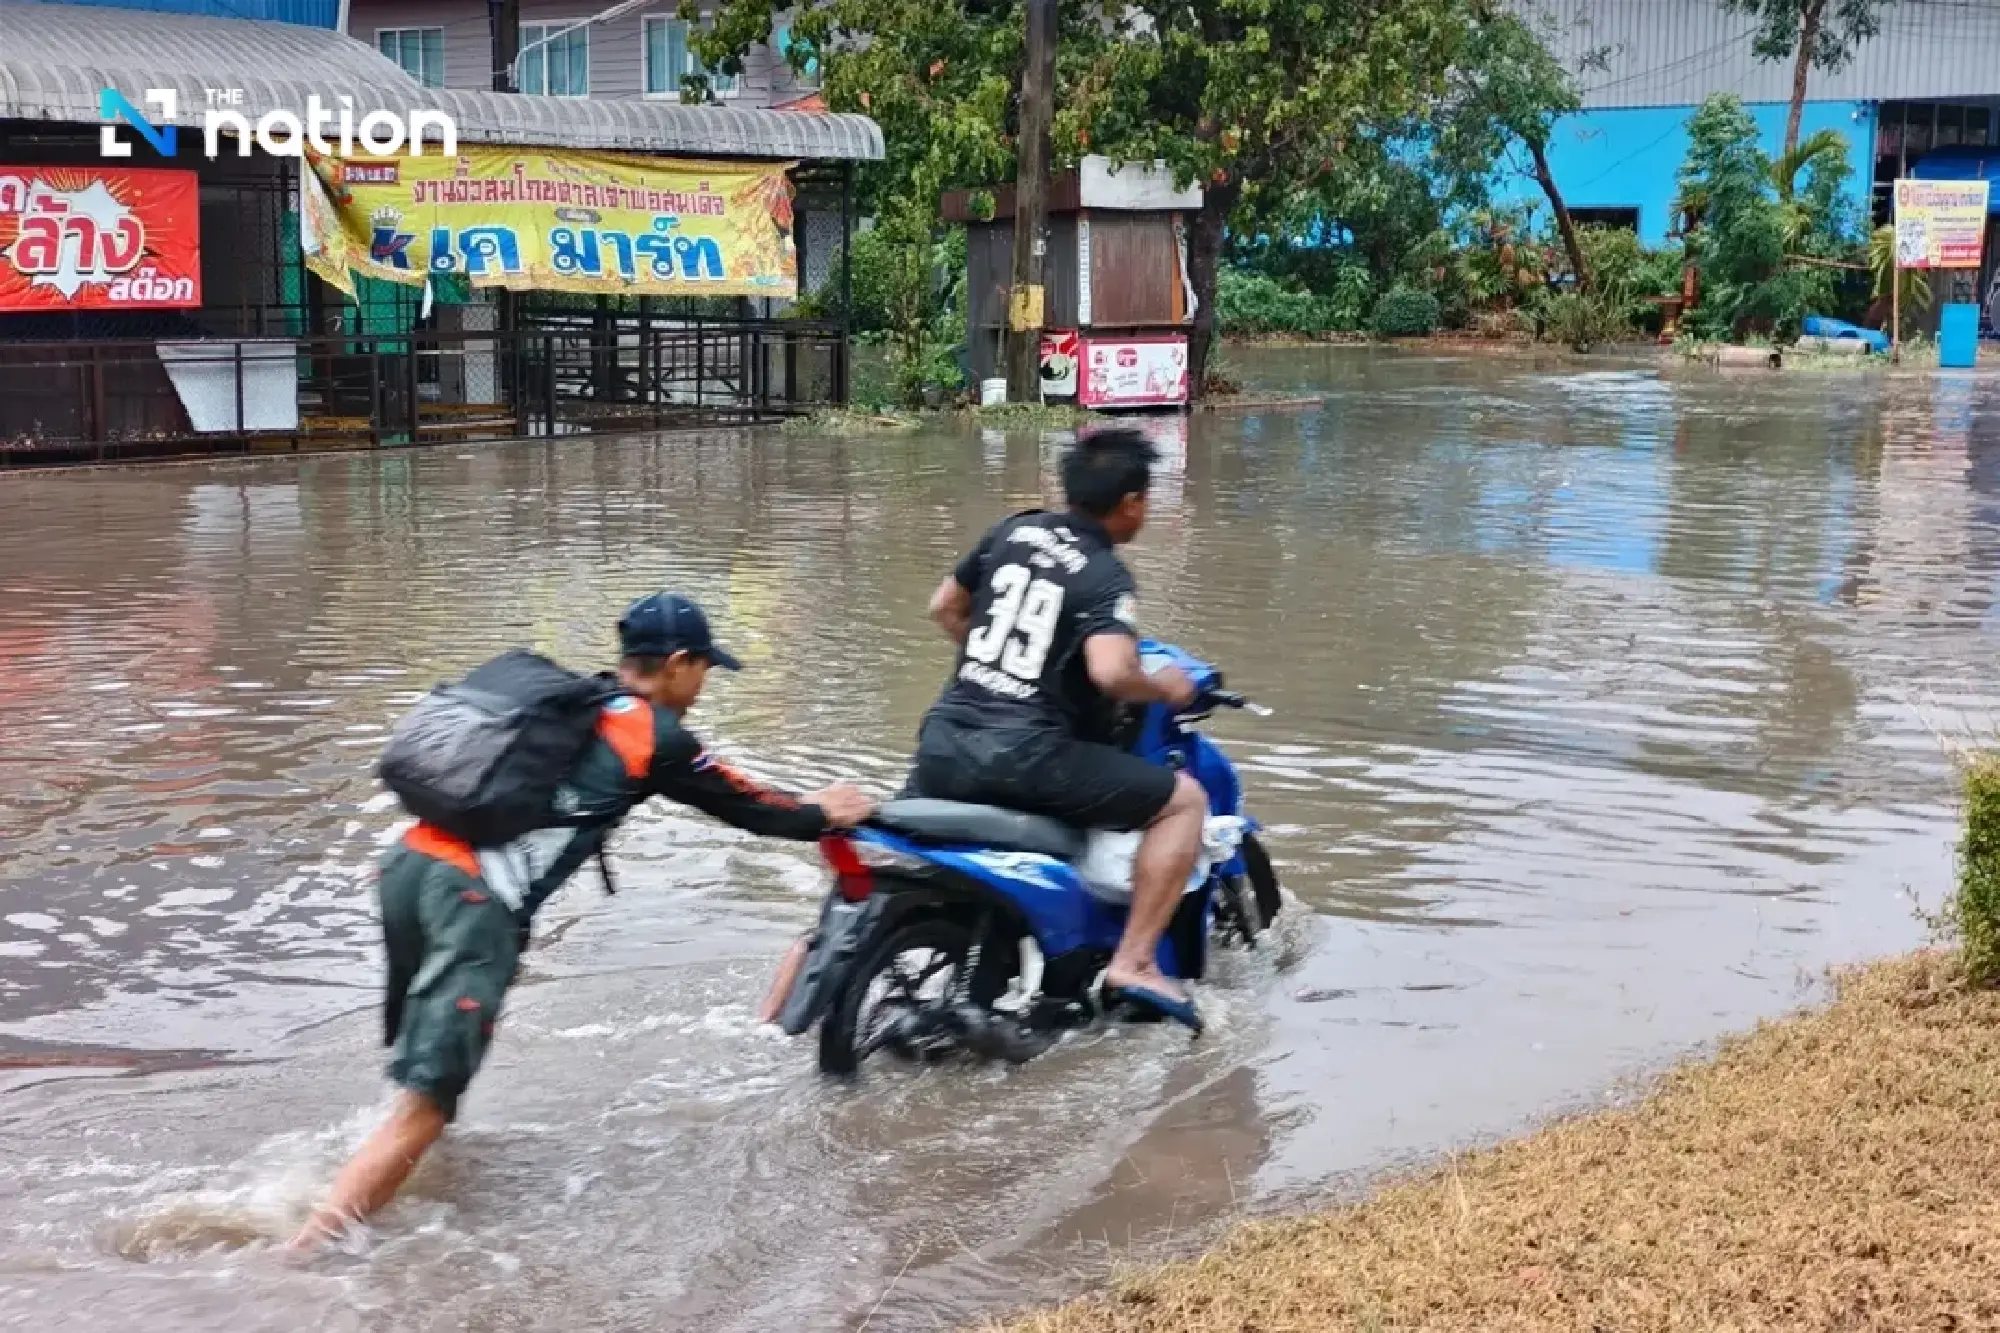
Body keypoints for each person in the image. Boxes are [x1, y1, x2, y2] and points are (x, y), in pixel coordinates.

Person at [290, 593, 873, 1249]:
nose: (704, 684)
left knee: (425, 1072)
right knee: (428, 1101)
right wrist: (826, 809)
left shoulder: (577, 705)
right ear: (678, 663)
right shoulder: (655, 734)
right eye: (705, 668)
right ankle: (301, 1259)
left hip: (408, 866)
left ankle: (386, 1177)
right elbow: (757, 807)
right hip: (471, 899)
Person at [904, 428, 1210, 1029]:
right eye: (1147, 500)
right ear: (1130, 504)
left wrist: (1002, 665)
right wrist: (1166, 687)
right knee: (1185, 803)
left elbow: (944, 607)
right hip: (1026, 756)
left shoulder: (1010, 531)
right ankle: (1135, 962)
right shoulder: (1105, 575)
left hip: (943, 743)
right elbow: (1112, 672)